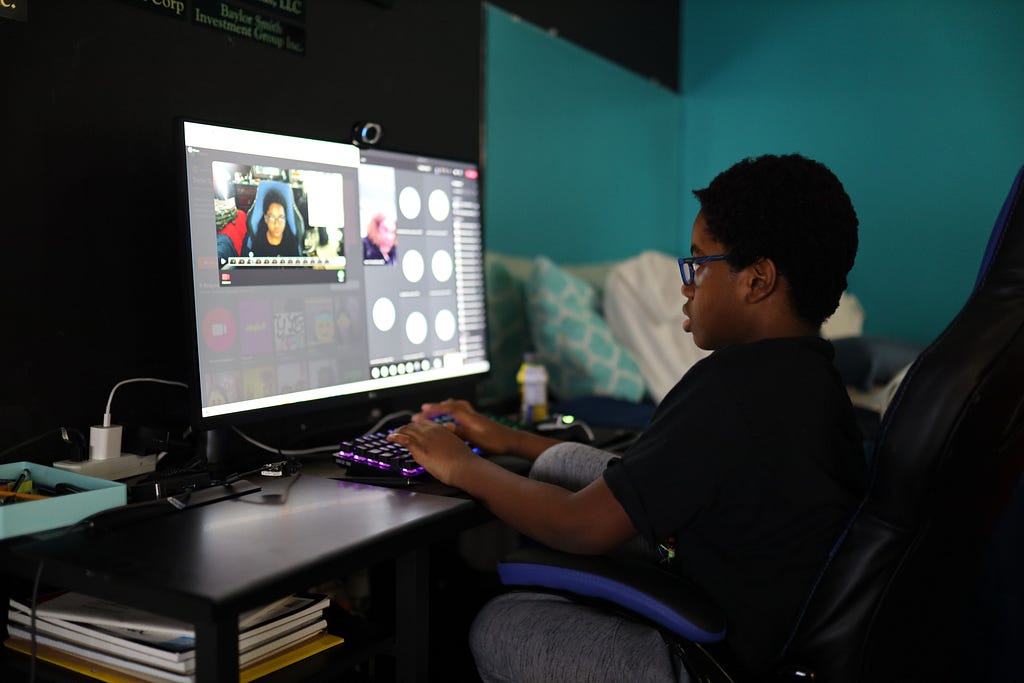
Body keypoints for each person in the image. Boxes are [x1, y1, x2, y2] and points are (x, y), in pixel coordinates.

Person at [388, 153, 866, 681]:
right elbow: (648, 473)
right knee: (569, 466)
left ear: (757, 281)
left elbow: (581, 527)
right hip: (754, 608)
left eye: (699, 262)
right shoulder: (808, 377)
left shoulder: (730, 387)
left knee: (501, 625)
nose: (687, 284)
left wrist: (460, 466)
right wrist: (509, 441)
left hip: (723, 663)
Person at [250, 188, 299, 257]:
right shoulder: (258, 244)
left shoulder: (291, 243)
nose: (277, 224)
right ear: (266, 218)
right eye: (272, 218)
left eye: (281, 217)